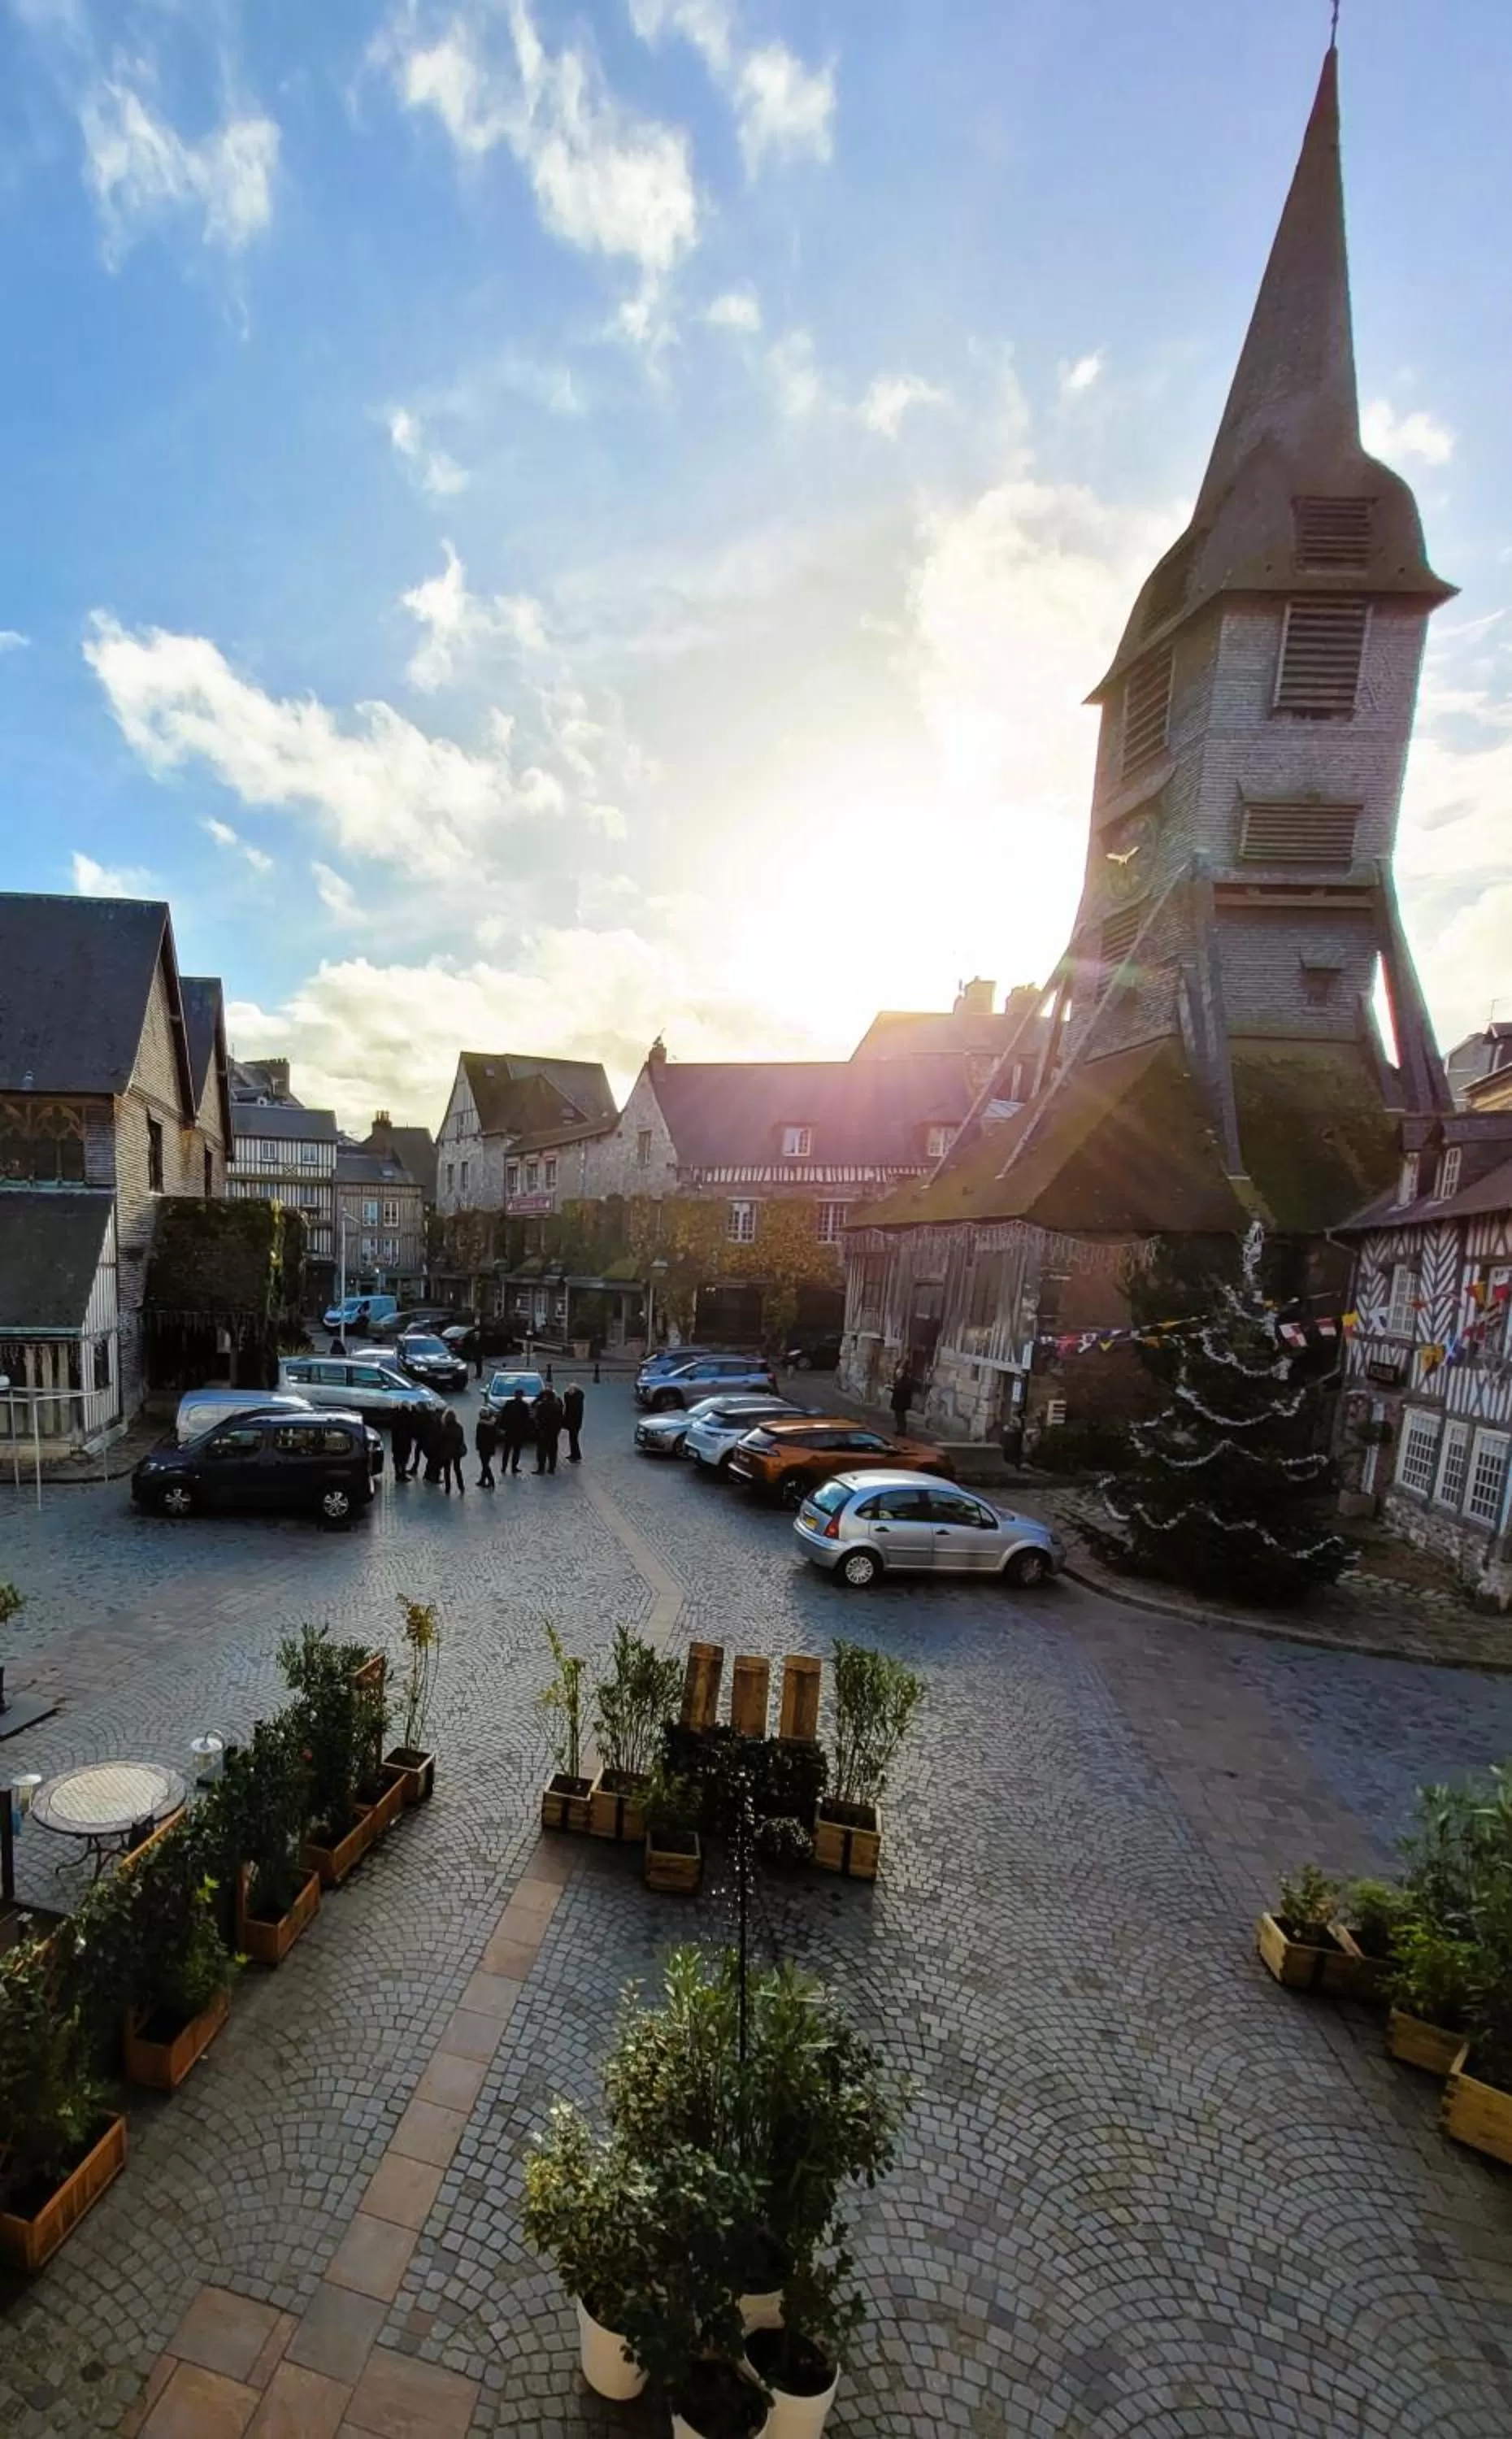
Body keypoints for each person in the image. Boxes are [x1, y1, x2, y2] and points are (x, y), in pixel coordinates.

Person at [534, 1384, 564, 1475]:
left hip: (543, 1431)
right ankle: (551, 1468)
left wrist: (539, 1428)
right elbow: (560, 1419)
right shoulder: (557, 1406)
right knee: (552, 1451)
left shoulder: (541, 1406)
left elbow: (538, 1418)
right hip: (553, 1432)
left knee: (542, 1450)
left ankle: (541, 1468)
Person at [502, 1389, 532, 1476]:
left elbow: (503, 1416)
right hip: (519, 1432)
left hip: (509, 1431)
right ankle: (514, 1467)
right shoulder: (524, 1406)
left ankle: (504, 1467)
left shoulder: (509, 1403)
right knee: (516, 1451)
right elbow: (526, 1420)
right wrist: (526, 1431)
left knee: (507, 1450)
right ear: (522, 1396)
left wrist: (503, 1428)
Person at [440, 1407, 467, 1495]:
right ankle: (461, 1486)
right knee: (457, 1469)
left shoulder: (444, 1428)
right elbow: (461, 1439)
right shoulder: (459, 1427)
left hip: (446, 1452)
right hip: (457, 1452)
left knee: (447, 1471)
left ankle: (448, 1488)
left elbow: (441, 1440)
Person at [418, 1404, 444, 1484]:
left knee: (431, 1460)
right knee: (436, 1461)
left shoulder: (429, 1419)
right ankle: (434, 1477)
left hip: (427, 1444)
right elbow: (438, 1433)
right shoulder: (437, 1420)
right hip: (433, 1445)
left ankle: (427, 1475)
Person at [476, 1403, 499, 1489]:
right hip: (490, 1447)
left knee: (485, 1465)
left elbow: (479, 1438)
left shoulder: (481, 1424)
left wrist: (478, 1447)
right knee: (485, 1464)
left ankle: (491, 1481)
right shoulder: (492, 1424)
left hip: (483, 1448)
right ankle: (482, 1480)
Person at [890, 1359, 915, 1437]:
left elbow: (903, 1390)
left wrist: (894, 1388)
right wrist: (894, 1387)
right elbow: (899, 1387)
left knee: (901, 1417)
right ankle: (900, 1429)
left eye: (899, 1373)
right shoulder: (901, 1380)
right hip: (899, 1401)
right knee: (898, 1416)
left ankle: (902, 1430)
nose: (898, 1375)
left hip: (902, 1402)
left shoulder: (906, 1380)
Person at [563, 1380, 585, 1463]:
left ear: (575, 1390)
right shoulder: (573, 1397)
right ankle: (573, 1454)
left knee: (574, 1439)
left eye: (570, 1389)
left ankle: (576, 1455)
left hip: (575, 1423)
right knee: (572, 1439)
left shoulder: (577, 1399)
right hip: (571, 1422)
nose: (569, 1391)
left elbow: (572, 1408)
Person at [391, 1406, 415, 1480]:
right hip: (405, 1443)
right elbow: (412, 1431)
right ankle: (403, 1474)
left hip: (396, 1443)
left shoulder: (395, 1417)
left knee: (397, 1459)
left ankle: (397, 1474)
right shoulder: (409, 1418)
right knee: (404, 1460)